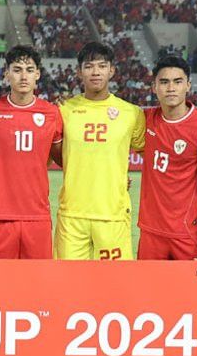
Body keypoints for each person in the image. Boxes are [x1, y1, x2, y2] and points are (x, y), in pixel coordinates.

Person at [55, 41, 145, 260]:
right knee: (67, 287)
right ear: (79, 72)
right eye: (89, 66)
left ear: (112, 70)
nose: (95, 72)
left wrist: (118, 173)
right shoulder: (63, 110)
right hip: (72, 215)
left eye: (102, 66)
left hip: (112, 214)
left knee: (112, 288)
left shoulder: (131, 113)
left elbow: (150, 155)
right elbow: (55, 152)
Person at [138, 55, 197, 276]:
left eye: (177, 81)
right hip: (150, 233)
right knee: (147, 303)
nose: (171, 88)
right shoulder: (143, 120)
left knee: (189, 307)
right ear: (154, 87)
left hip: (188, 235)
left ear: (188, 85)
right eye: (164, 82)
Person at [0, 45, 62, 259]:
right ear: (6, 74)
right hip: (0, 215)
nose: (24, 76)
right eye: (17, 69)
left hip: (38, 215)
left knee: (37, 286)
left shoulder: (52, 113)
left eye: (29, 69)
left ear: (38, 75)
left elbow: (64, 159)